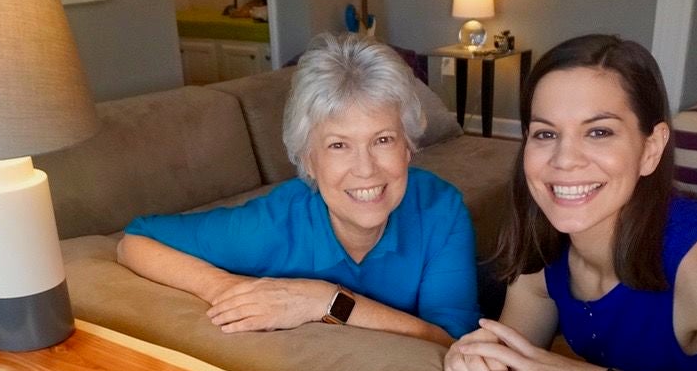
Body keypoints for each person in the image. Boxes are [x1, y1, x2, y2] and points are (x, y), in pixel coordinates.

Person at [444, 33, 697, 371]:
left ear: (650, 149)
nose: (564, 160)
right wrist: (474, 356)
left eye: (598, 132)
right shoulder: (545, 241)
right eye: (545, 134)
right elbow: (511, 358)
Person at [117, 33, 480, 346]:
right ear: (308, 160)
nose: (366, 169)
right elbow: (135, 240)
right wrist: (222, 288)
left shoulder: (440, 209)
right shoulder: (270, 226)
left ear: (407, 147)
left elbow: (452, 343)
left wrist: (328, 301)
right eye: (338, 145)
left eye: (383, 140)